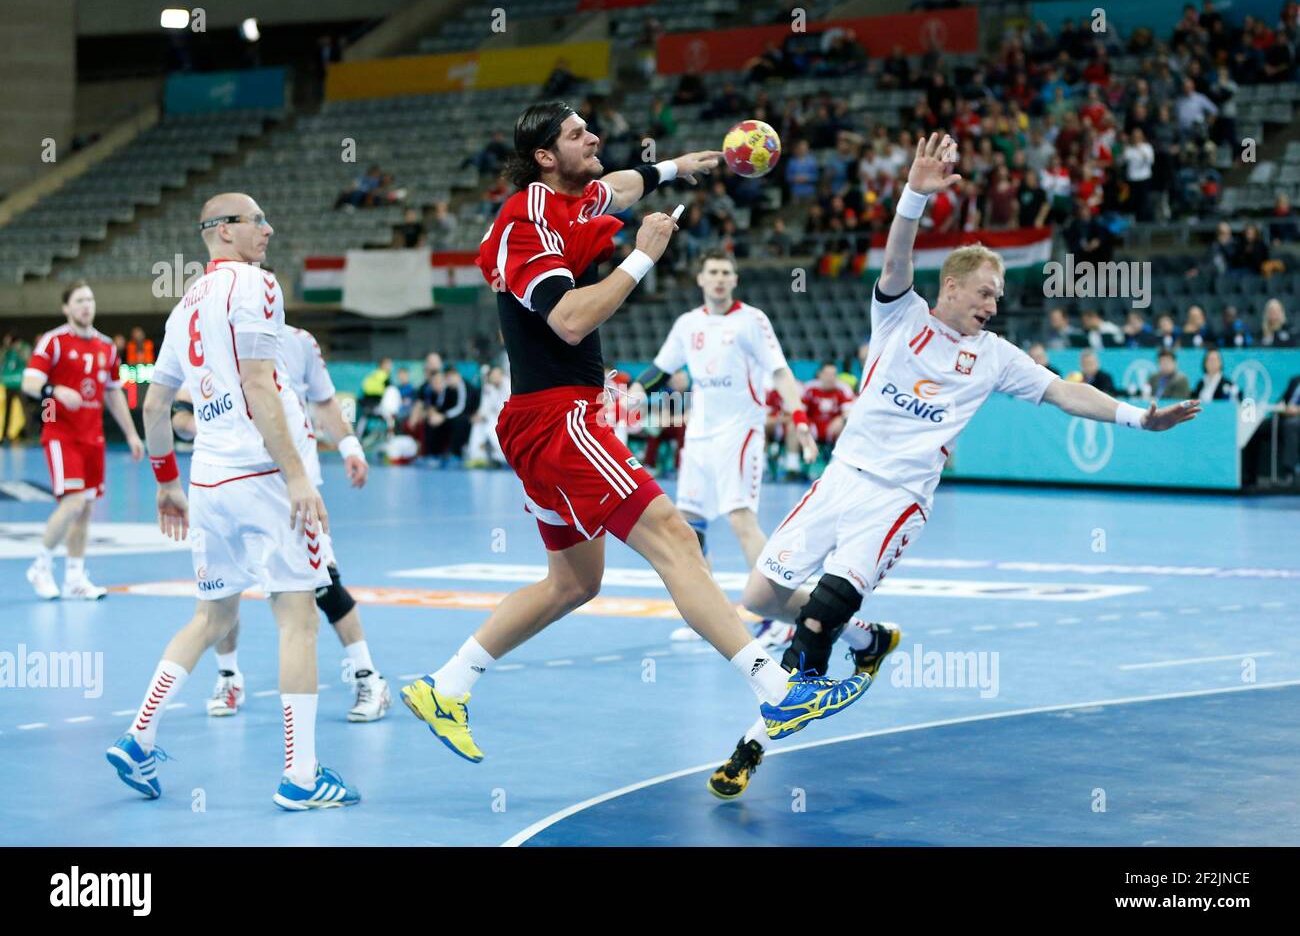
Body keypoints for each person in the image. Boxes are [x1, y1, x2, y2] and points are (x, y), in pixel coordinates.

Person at [708, 133, 1201, 799]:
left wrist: (1140, 418)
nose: (993, 306)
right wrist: (915, 192)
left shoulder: (994, 354)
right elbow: (897, 252)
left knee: (816, 622)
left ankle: (754, 743)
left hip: (898, 499)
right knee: (760, 597)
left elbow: (1064, 392)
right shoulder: (899, 315)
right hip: (840, 477)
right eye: (985, 293)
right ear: (951, 286)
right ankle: (869, 641)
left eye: (998, 297)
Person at [400, 100, 871, 766]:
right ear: (543, 157)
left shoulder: (574, 196)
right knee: (678, 538)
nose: (592, 136)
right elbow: (567, 319)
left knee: (573, 584)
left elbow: (615, 188)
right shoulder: (528, 218)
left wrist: (679, 167)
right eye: (575, 134)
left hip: (548, 421)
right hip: (559, 418)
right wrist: (642, 258)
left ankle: (447, 685)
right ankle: (779, 687)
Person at [106, 192, 358, 810]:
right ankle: (301, 777)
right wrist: (298, 476)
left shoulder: (183, 306)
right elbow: (257, 384)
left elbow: (155, 405)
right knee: (296, 618)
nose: (268, 230)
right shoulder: (256, 285)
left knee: (211, 617)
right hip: (263, 476)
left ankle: (139, 738)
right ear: (221, 231)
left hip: (207, 481)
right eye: (256, 221)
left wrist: (166, 481)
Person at [201, 325, 391, 723]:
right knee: (225, 590)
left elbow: (323, 402)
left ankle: (368, 677)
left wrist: (350, 445)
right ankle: (229, 676)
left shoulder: (298, 342)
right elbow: (189, 402)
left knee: (323, 584)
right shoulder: (213, 337)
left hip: (293, 486)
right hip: (235, 485)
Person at [633, 250, 817, 648]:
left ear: (734, 280)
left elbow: (781, 372)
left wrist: (799, 419)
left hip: (741, 432)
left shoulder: (752, 320)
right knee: (690, 529)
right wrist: (631, 393)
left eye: (726, 273)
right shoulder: (688, 323)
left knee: (740, 521)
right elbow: (661, 368)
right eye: (712, 272)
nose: (719, 278)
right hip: (699, 436)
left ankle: (779, 614)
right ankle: (713, 617)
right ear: (700, 279)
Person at [22, 282, 145, 600]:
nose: (86, 305)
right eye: (79, 301)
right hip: (60, 433)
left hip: (93, 436)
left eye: (90, 299)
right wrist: (54, 390)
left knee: (86, 509)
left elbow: (114, 392)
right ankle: (41, 565)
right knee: (73, 501)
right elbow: (29, 382)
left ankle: (75, 578)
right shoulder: (55, 341)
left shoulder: (106, 346)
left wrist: (132, 434)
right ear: (67, 308)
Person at [802, 362, 855, 446]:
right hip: (813, 426)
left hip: (834, 426)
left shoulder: (843, 388)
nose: (830, 378)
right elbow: (801, 411)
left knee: (845, 425)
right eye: (827, 374)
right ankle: (793, 458)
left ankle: (838, 457)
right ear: (819, 374)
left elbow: (849, 413)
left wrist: (841, 419)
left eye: (833, 374)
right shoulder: (809, 387)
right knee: (797, 426)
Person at [466, 365, 509, 468]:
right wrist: (479, 415)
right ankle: (477, 457)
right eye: (492, 375)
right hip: (492, 418)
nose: (493, 377)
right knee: (478, 425)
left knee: (491, 426)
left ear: (501, 374)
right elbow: (484, 406)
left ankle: (502, 458)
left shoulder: (509, 385)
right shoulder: (488, 387)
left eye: (496, 374)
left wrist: (489, 416)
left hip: (507, 418)